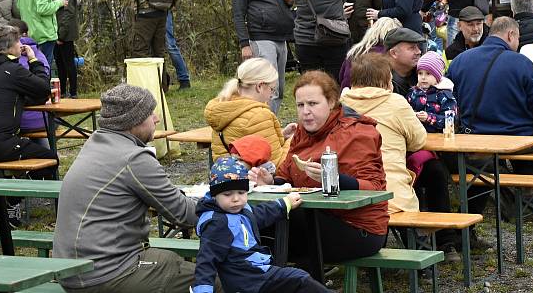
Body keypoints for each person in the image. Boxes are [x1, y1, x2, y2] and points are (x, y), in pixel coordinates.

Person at [53, 84, 205, 292]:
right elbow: (183, 215)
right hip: (107, 275)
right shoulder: (134, 158)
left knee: (168, 259)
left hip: (73, 271)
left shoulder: (95, 144)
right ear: (133, 121)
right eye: (150, 113)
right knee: (216, 280)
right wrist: (225, 203)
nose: (156, 119)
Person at [251, 71, 388, 280]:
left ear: (332, 102)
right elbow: (287, 176)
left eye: (313, 104)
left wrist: (331, 178)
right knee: (253, 216)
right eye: (300, 105)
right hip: (316, 217)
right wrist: (269, 181)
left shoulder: (358, 132)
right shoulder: (302, 132)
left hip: (359, 229)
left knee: (281, 219)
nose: (306, 112)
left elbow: (374, 188)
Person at [341, 52, 460, 262]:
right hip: (389, 189)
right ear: (386, 80)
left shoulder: (339, 104)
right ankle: (444, 242)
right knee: (434, 172)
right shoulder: (396, 103)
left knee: (430, 172)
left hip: (348, 187)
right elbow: (418, 140)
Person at [447, 17, 533, 217]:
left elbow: (452, 98)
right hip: (517, 138)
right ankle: (524, 204)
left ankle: (478, 217)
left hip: (473, 138)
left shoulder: (461, 60)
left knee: (481, 169)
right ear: (511, 35)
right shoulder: (521, 62)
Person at [192, 156, 330, 293]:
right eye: (227, 194)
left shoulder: (242, 210)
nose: (236, 199)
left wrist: (285, 203)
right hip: (248, 280)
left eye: (241, 192)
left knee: (299, 280)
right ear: (215, 195)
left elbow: (261, 214)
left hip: (257, 272)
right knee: (299, 280)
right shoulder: (217, 223)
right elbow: (206, 261)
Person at [0, 23, 56, 226]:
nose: (21, 45)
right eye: (18, 42)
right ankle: (13, 202)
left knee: (4, 160)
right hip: (0, 143)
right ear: (9, 47)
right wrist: (34, 61)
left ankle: (0, 203)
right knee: (51, 158)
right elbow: (43, 89)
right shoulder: (12, 70)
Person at [232, 0, 295, 113]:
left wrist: (289, 2)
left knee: (279, 89)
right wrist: (245, 44)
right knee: (268, 88)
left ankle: (270, 123)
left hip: (281, 38)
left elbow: (281, 3)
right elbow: (238, 14)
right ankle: (263, 125)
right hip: (260, 38)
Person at [204, 58, 295, 166]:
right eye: (272, 89)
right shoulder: (259, 116)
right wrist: (293, 141)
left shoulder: (224, 108)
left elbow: (247, 146)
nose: (272, 95)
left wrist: (282, 136)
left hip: (228, 178)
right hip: (254, 181)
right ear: (260, 86)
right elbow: (276, 165)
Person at [7, 19, 50, 133]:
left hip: (12, 122)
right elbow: (44, 88)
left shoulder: (4, 62)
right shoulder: (38, 55)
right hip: (42, 119)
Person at [338, 17, 401, 89]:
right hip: (377, 96)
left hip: (348, 95)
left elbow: (341, 77)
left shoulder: (355, 51)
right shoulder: (389, 55)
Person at [47, 0, 79, 98]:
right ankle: (63, 92)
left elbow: (68, 13)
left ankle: (73, 92)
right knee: (59, 63)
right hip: (57, 32)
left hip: (65, 33)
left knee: (68, 63)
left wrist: (61, 35)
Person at [383, 27, 425, 97]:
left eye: (417, 47)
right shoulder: (378, 81)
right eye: (412, 48)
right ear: (394, 53)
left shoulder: (425, 73)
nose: (419, 52)